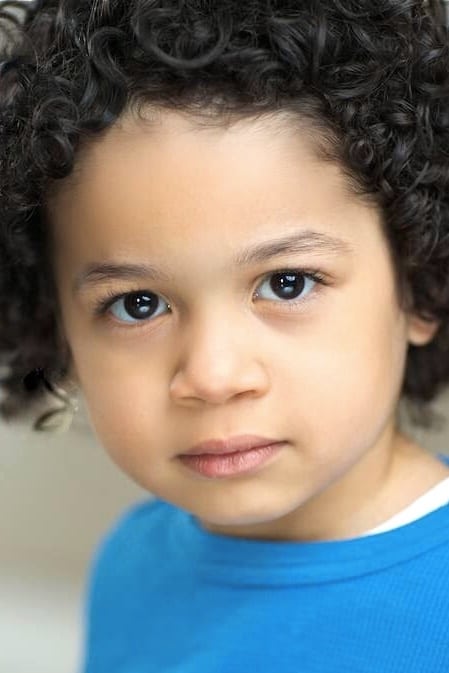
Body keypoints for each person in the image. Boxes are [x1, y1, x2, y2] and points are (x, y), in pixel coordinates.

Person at [1, 0, 449, 670]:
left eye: (287, 283)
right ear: (55, 325)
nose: (213, 376)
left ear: (419, 282)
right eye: (138, 304)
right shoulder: (130, 565)